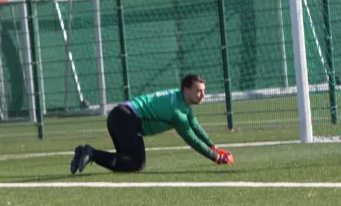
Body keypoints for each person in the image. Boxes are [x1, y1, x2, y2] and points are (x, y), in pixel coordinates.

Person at [70, 74, 234, 174]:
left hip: (118, 116)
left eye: (204, 91)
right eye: (199, 91)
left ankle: (87, 152)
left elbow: (195, 126)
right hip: (126, 119)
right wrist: (216, 158)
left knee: (126, 161)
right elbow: (192, 139)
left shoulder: (181, 102)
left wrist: (213, 147)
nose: (202, 95)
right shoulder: (177, 112)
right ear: (186, 90)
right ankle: (90, 152)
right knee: (137, 164)